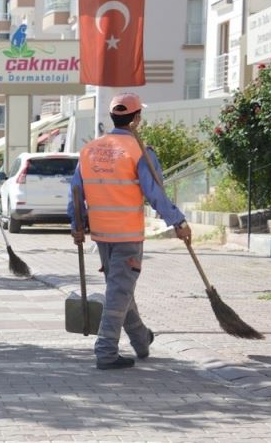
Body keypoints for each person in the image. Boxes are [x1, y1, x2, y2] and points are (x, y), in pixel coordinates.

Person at [68, 93, 192, 370]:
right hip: (127, 235)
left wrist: (77, 226)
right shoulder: (140, 152)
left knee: (121, 291)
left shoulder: (89, 150)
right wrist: (179, 223)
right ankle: (106, 351)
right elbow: (155, 193)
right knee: (118, 294)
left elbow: (76, 193)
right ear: (136, 119)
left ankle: (140, 340)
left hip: (101, 235)